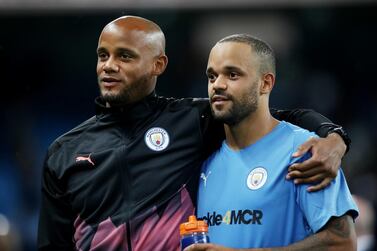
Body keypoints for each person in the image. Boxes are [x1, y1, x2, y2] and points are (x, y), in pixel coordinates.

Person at [37, 16, 351, 251]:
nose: (109, 66)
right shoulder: (65, 151)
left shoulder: (191, 122)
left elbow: (276, 117)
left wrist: (335, 139)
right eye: (102, 55)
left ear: (158, 64)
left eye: (125, 56)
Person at [189, 34, 359, 251]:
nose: (218, 85)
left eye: (232, 75)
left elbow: (342, 243)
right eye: (212, 76)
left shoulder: (305, 150)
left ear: (265, 83)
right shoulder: (205, 161)